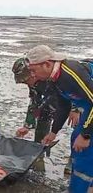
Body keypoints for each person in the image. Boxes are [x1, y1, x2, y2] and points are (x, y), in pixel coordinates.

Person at [26, 45, 93, 193]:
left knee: (85, 149)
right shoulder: (53, 78)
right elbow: (63, 106)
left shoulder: (70, 73)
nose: (33, 75)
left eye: (33, 70)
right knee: (75, 141)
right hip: (88, 106)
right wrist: (53, 132)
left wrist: (86, 135)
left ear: (47, 64)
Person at [12, 58, 78, 171]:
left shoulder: (52, 75)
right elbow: (34, 102)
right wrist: (27, 125)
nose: (26, 83)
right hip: (52, 102)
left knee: (79, 128)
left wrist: (76, 109)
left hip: (74, 99)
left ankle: (75, 160)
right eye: (23, 81)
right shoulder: (33, 83)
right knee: (43, 117)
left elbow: (75, 88)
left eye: (26, 80)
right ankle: (39, 153)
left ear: (33, 73)